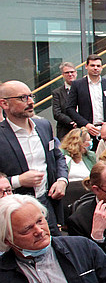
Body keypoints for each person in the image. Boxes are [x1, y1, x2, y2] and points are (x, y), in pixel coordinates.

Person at [0, 81, 68, 235]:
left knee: (57, 248)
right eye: (23, 98)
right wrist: (18, 181)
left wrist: (62, 180)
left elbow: (58, 157)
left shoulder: (44, 125)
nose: (30, 102)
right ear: (4, 103)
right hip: (15, 210)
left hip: (47, 202)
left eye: (31, 96)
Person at [66, 54, 106, 145]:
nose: (95, 68)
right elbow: (70, 108)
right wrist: (86, 124)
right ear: (86, 66)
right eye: (92, 65)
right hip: (86, 130)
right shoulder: (77, 85)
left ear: (102, 67)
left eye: (98, 66)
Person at [52, 61, 78, 140]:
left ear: (76, 73)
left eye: (72, 72)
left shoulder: (84, 89)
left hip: (83, 129)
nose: (70, 74)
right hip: (65, 131)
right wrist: (72, 122)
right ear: (63, 75)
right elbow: (56, 113)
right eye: (67, 73)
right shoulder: (57, 93)